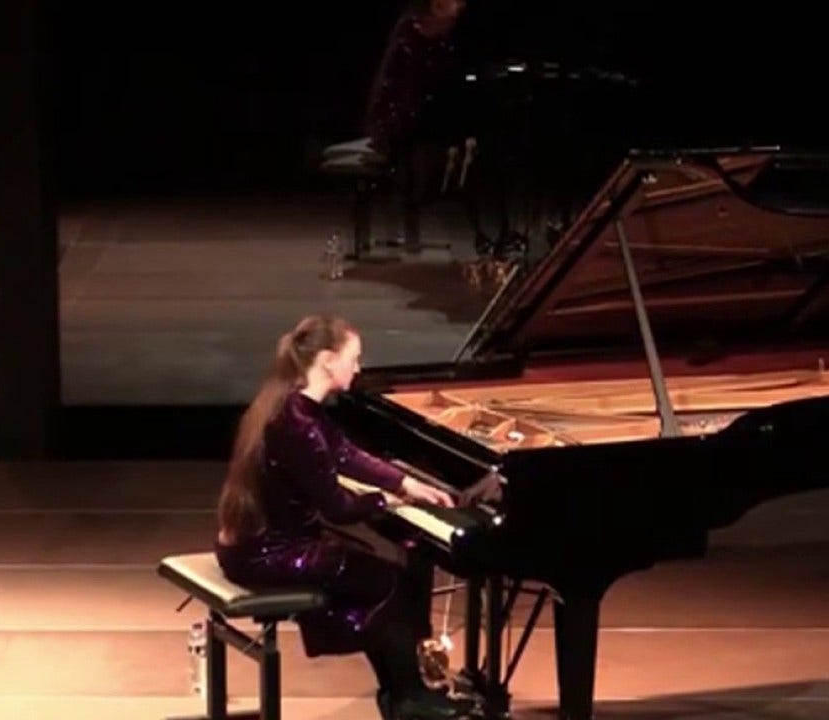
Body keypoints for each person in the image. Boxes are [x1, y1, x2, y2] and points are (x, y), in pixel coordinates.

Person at [214, 314, 470, 720]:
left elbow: (347, 455)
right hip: (268, 555)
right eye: (355, 358)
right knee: (387, 579)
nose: (359, 367)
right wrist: (388, 502)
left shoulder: (293, 406)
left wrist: (405, 483)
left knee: (378, 572)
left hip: (258, 544)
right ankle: (408, 696)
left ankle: (403, 693)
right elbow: (337, 508)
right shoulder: (297, 425)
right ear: (329, 360)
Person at [365, 0, 469, 252]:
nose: (454, 20)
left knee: (426, 168)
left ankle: (411, 225)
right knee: (408, 170)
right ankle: (404, 229)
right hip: (398, 116)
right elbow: (392, 81)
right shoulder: (409, 34)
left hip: (422, 115)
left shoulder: (442, 40)